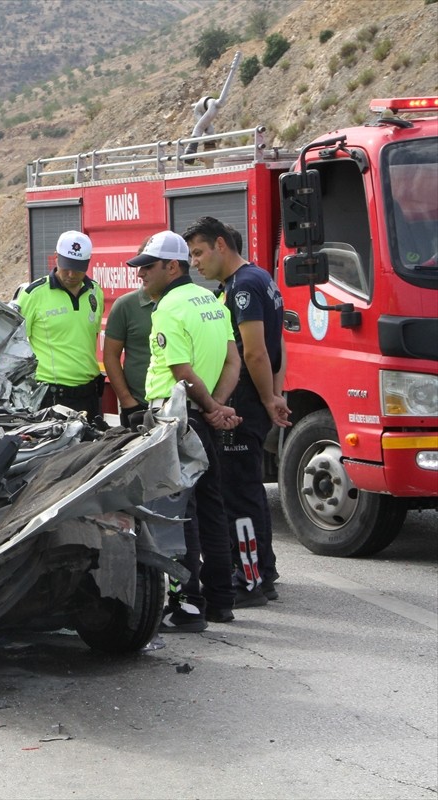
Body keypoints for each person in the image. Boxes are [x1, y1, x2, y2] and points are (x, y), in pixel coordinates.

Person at [128, 232, 241, 631]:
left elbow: (181, 371)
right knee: (212, 509)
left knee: (177, 514)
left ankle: (188, 605)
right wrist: (218, 406)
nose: (140, 273)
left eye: (148, 266)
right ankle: (221, 601)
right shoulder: (211, 301)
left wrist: (210, 407)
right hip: (201, 419)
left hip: (174, 420)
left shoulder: (169, 309)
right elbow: (233, 360)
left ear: (171, 267)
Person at [185, 216, 291, 607]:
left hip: (243, 403)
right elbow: (282, 345)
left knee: (237, 495)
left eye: (199, 253)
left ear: (220, 245)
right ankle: (263, 569)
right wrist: (277, 394)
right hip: (254, 400)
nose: (195, 262)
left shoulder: (243, 287)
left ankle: (249, 580)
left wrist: (266, 399)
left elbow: (256, 350)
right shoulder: (260, 278)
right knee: (249, 491)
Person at [14, 230, 105, 419]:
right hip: (52, 397)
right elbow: (14, 345)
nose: (71, 274)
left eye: (78, 268)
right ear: (56, 259)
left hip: (89, 394)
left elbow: (89, 339)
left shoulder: (95, 292)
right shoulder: (33, 295)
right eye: (67, 267)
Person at [102, 285, 155, 429]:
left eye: (150, 266)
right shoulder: (125, 305)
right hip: (139, 404)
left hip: (180, 404)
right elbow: (110, 356)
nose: (141, 273)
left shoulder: (182, 303)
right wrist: (127, 401)